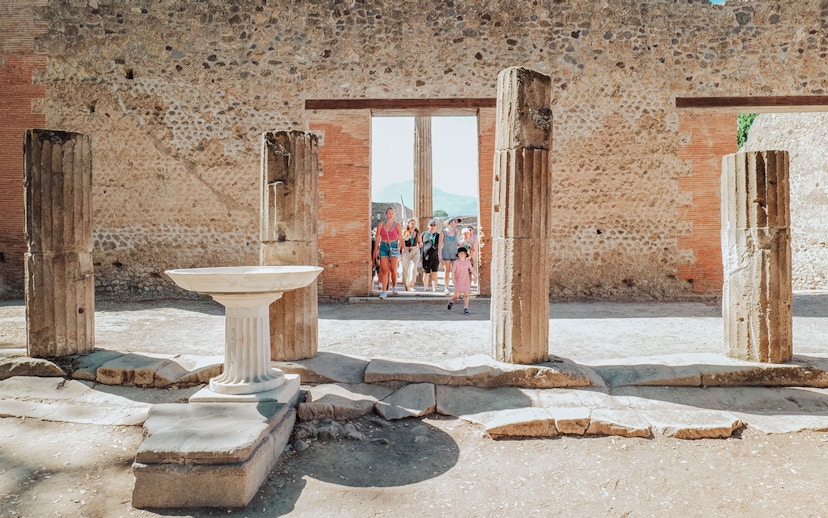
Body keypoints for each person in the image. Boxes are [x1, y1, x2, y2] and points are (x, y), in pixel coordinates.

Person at [372, 207, 404, 298]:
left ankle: (394, 287)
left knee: (393, 269)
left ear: (394, 215)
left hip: (393, 246)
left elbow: (401, 237)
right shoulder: (381, 224)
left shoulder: (397, 225)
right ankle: (384, 291)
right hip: (383, 246)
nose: (391, 215)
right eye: (389, 213)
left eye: (392, 213)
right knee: (385, 270)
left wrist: (403, 248)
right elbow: (378, 237)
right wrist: (375, 249)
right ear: (386, 214)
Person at [438, 217, 461, 294]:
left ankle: (457, 289)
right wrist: (439, 255)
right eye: (454, 221)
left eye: (456, 221)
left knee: (455, 272)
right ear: (449, 222)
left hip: (455, 253)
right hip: (446, 253)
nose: (456, 222)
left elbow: (458, 242)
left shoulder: (457, 232)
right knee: (447, 271)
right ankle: (446, 288)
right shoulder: (443, 232)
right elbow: (440, 244)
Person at [447, 246, 473, 314]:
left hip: (466, 280)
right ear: (458, 254)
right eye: (460, 253)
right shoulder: (456, 262)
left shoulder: (468, 262)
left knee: (466, 294)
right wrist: (453, 279)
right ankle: (451, 301)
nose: (461, 254)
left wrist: (475, 275)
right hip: (458, 280)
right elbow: (453, 271)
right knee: (457, 295)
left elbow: (471, 269)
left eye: (463, 253)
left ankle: (466, 308)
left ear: (465, 254)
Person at [400, 218, 422, 292]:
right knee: (405, 269)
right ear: (408, 224)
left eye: (414, 223)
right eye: (411, 223)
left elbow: (420, 242)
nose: (413, 225)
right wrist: (404, 237)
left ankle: (411, 285)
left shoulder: (417, 233)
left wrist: (420, 244)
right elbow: (399, 242)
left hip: (415, 250)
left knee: (413, 268)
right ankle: (406, 284)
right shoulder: (404, 231)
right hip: (406, 249)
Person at [420, 220, 440, 291]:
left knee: (434, 273)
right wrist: (421, 257)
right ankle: (426, 288)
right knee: (426, 273)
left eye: (434, 225)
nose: (433, 226)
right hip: (426, 257)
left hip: (435, 256)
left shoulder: (438, 235)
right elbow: (420, 246)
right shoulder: (424, 234)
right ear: (428, 226)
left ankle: (434, 289)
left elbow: (440, 246)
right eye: (431, 225)